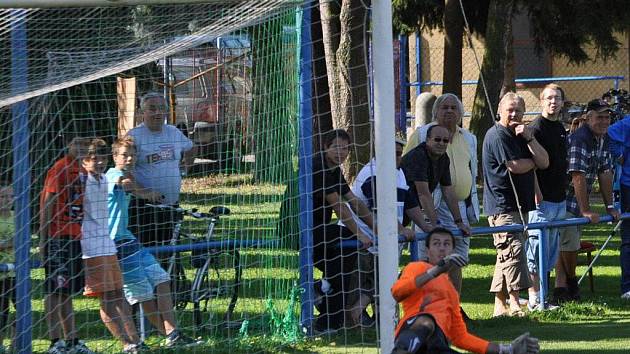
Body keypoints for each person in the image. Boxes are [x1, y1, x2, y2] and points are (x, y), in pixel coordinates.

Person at [106, 136, 200, 347]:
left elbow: (132, 182)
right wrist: (148, 193)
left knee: (162, 279)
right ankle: (162, 338)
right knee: (144, 295)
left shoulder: (129, 174)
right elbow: (125, 184)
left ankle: (173, 333)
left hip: (128, 239)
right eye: (124, 155)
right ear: (114, 157)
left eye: (133, 155)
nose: (129, 159)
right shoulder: (112, 175)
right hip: (114, 244)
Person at [391, 228, 540, 354]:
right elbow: (397, 292)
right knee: (426, 321)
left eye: (446, 244)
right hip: (413, 333)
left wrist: (508, 349)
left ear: (453, 250)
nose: (442, 248)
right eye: (436, 244)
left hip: (437, 344)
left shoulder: (451, 293)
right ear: (428, 250)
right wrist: (435, 271)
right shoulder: (416, 268)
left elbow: (460, 337)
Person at [337, 138, 434, 325]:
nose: (397, 157)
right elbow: (378, 209)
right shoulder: (371, 173)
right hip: (362, 239)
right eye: (392, 153)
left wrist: (430, 228)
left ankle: (382, 321)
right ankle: (349, 319)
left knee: (383, 281)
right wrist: (400, 229)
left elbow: (411, 204)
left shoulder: (399, 173)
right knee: (359, 284)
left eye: (399, 153)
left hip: (385, 239)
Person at [482, 93, 549, 317]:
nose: (514, 114)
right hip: (502, 205)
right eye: (510, 110)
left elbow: (545, 161)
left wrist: (530, 138)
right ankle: (514, 303)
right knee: (514, 252)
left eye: (518, 110)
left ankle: (499, 306)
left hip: (523, 205)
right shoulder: (497, 134)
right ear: (499, 110)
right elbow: (514, 166)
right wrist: (534, 163)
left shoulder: (522, 134)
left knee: (506, 254)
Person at [409, 93, 480, 294]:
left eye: (453, 108)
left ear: (460, 113)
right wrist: (432, 222)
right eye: (444, 107)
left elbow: (463, 176)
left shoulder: (469, 138)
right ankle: (427, 305)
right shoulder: (421, 135)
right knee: (428, 257)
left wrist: (460, 219)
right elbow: (415, 181)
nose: (449, 111)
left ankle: (453, 308)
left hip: (459, 205)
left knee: (457, 258)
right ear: (435, 112)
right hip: (429, 205)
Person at [80, 138, 144, 353]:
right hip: (90, 247)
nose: (99, 162)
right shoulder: (82, 181)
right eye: (93, 158)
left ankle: (135, 341)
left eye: (102, 158)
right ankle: (126, 343)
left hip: (108, 244)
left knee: (118, 294)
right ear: (83, 161)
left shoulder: (101, 179)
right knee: (107, 296)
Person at [555, 99, 620, 303]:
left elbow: (605, 172)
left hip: (575, 202)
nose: (604, 121)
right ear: (588, 117)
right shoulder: (580, 138)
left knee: (567, 244)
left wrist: (610, 206)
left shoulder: (603, 138)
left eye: (607, 117)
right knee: (568, 244)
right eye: (599, 116)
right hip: (563, 200)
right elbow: (577, 175)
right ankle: (571, 284)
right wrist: (585, 210)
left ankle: (563, 290)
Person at [312, 129, 374, 331]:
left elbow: (354, 201)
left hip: (319, 229)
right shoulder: (318, 166)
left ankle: (328, 316)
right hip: (302, 230)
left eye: (346, 148)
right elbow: (339, 206)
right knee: (347, 243)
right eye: (337, 147)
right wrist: (360, 234)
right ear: (325, 147)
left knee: (341, 269)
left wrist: (379, 229)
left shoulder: (334, 169)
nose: (342, 152)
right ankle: (323, 289)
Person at [39, 137, 95, 354]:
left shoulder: (80, 171)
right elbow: (48, 203)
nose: (82, 150)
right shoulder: (60, 169)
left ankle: (72, 340)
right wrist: (44, 240)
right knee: (55, 290)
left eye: (85, 147)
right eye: (78, 146)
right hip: (58, 237)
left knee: (67, 292)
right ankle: (55, 341)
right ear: (69, 147)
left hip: (74, 236)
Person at [127, 92, 194, 262]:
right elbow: (124, 172)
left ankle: (172, 283)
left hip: (171, 204)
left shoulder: (173, 132)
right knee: (147, 253)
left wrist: (186, 169)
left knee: (170, 251)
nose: (158, 113)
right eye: (152, 109)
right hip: (146, 208)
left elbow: (191, 148)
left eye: (162, 109)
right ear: (142, 112)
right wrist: (144, 192)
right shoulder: (134, 136)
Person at [525, 84, 568, 310]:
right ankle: (534, 298)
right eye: (549, 98)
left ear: (562, 102)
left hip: (559, 199)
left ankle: (544, 297)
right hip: (541, 201)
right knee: (535, 249)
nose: (553, 102)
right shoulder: (536, 128)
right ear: (541, 101)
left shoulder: (560, 127)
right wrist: (535, 192)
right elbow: (531, 165)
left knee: (550, 252)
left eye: (557, 98)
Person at [608, 111, 630, 299]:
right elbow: (610, 133)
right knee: (629, 239)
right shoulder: (627, 123)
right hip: (628, 185)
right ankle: (627, 287)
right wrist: (620, 154)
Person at [0, 183, 15, 353]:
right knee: (2, 312)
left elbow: (23, 241)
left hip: (17, 273)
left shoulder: (17, 216)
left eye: (10, 196)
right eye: (3, 196)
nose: (7, 200)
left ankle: (16, 342)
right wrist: (10, 244)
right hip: (1, 274)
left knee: (21, 310)